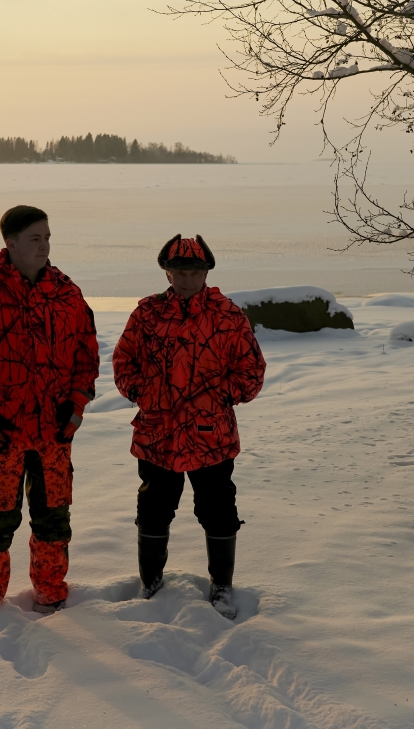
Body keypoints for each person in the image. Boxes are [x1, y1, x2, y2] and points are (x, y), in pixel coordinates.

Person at [0, 205, 100, 633]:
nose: (45, 244)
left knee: (53, 520)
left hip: (54, 435)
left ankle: (50, 592)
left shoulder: (67, 293)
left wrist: (76, 406)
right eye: (35, 238)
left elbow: (87, 354)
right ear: (10, 244)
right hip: (1, 437)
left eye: (47, 236)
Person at [112, 234, 265, 619]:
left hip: (210, 436)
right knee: (153, 508)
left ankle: (222, 587)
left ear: (206, 272)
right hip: (157, 433)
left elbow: (252, 372)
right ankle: (150, 582)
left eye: (194, 271)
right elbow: (123, 361)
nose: (186, 279)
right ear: (167, 271)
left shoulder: (227, 315)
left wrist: (217, 397)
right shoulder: (147, 313)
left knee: (218, 509)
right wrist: (144, 393)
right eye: (179, 271)